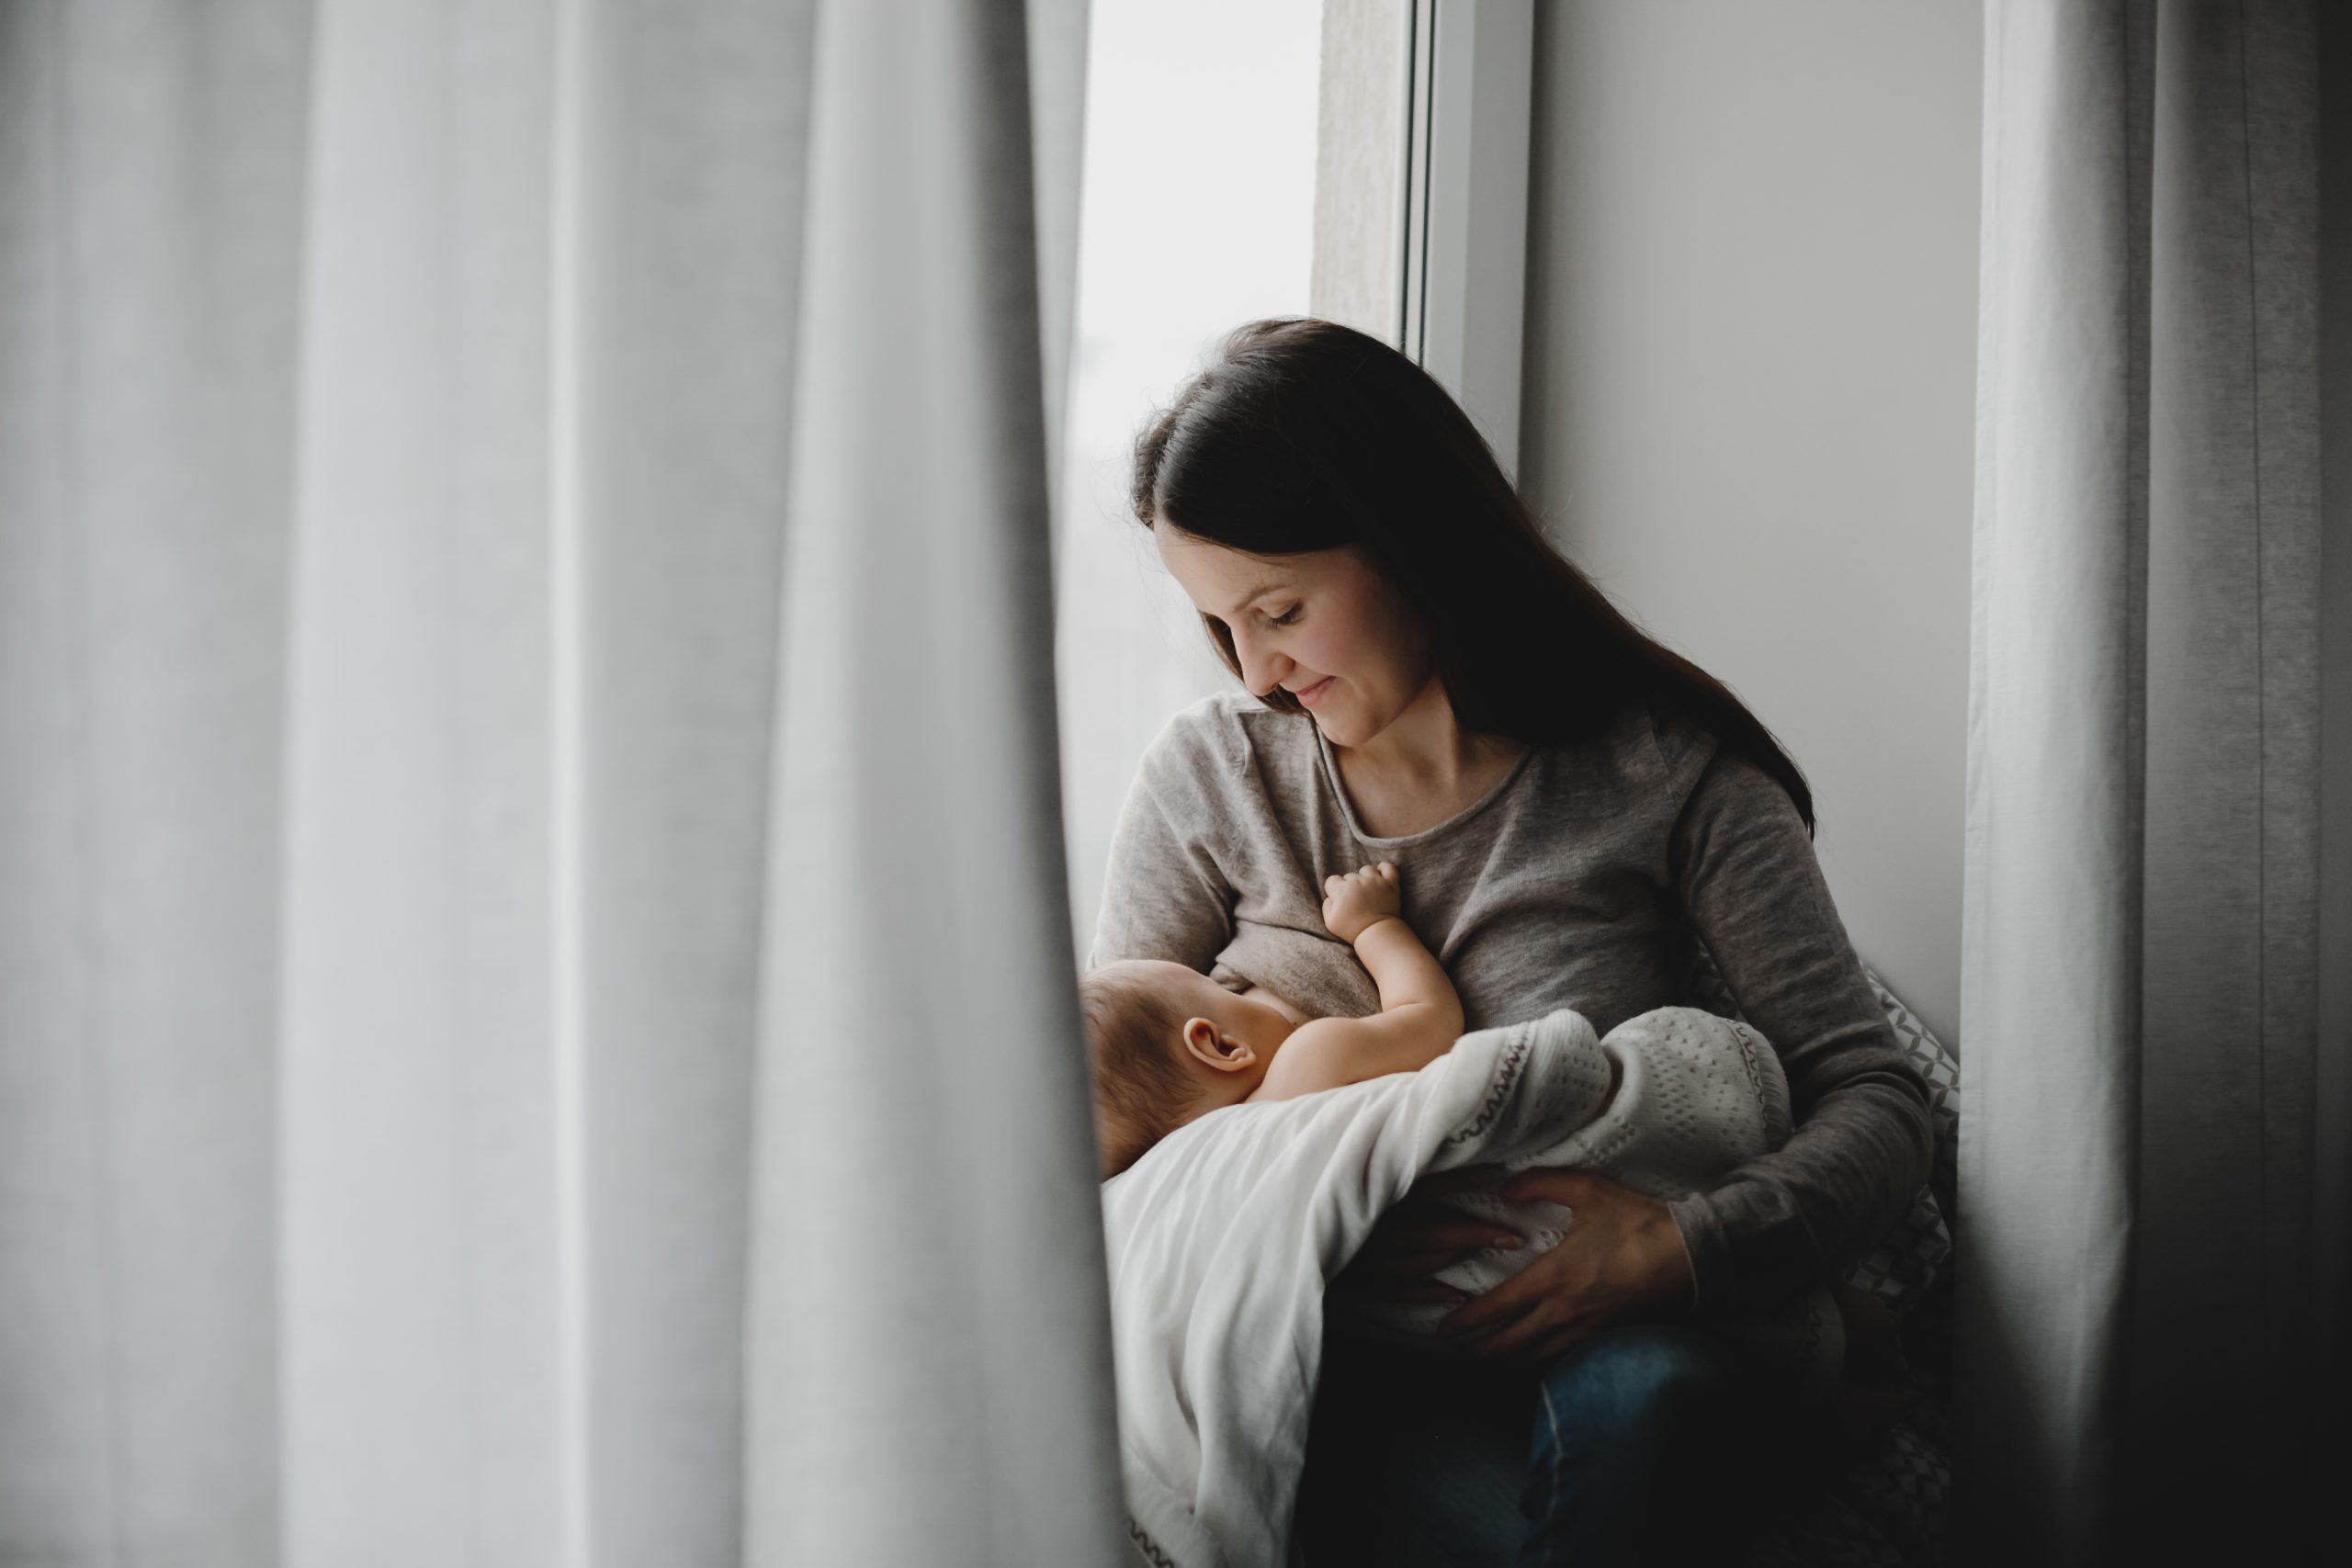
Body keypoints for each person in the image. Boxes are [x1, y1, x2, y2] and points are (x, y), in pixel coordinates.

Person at [1087, 317, 1935, 1565]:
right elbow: (1110, 1145)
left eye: (1280, 610)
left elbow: (1877, 1098)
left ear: (1409, 538)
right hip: (1326, 1360)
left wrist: (1680, 1247)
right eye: (1225, 629)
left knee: (1650, 1398)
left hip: (1605, 1340)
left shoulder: (1668, 776)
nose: (1259, 671)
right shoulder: (1216, 779)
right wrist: (1331, 1220)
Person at [1083, 861, 1468, 1179]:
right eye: (1218, 989)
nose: (1240, 985)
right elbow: (1433, 1021)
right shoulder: (1310, 1059)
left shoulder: (1220, 1174)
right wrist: (1374, 926)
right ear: (1222, 1046)